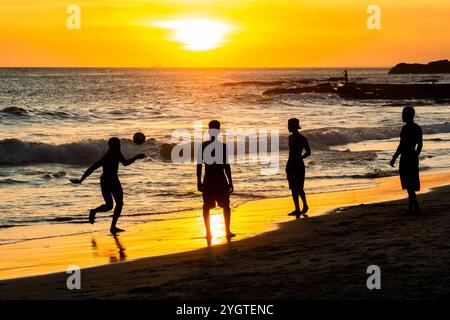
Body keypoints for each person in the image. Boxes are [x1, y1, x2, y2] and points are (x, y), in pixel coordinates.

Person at [70, 137, 145, 234]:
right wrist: (136, 157)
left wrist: (81, 180)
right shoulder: (109, 155)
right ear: (113, 146)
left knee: (111, 205)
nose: (119, 146)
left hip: (107, 180)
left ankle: (99, 215)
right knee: (116, 205)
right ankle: (108, 223)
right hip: (110, 181)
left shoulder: (116, 153)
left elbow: (124, 163)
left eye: (119, 144)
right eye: (118, 144)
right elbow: (93, 167)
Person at [197, 120, 235, 240]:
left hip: (210, 178)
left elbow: (199, 165)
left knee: (207, 206)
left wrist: (198, 181)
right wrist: (230, 181)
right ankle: (226, 231)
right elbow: (226, 165)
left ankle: (209, 233)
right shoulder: (222, 146)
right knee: (225, 206)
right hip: (218, 178)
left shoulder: (203, 146)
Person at [390, 106, 423, 214]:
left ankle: (415, 208)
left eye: (404, 114)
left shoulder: (406, 129)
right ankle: (412, 207)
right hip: (410, 157)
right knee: (410, 184)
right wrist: (416, 155)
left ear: (408, 115)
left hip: (407, 158)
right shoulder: (417, 128)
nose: (402, 116)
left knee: (409, 184)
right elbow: (419, 145)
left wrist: (394, 158)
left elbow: (402, 145)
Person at [286, 118, 311, 218]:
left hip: (298, 165)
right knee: (293, 188)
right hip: (290, 164)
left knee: (299, 188)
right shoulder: (290, 137)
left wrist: (300, 158)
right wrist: (288, 165)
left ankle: (304, 205)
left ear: (293, 127)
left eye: (289, 125)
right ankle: (297, 208)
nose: (287, 127)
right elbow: (290, 153)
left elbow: (308, 152)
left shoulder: (302, 138)